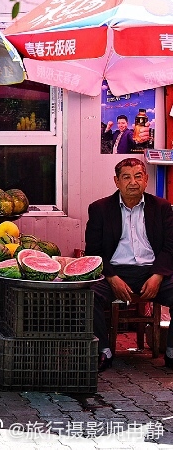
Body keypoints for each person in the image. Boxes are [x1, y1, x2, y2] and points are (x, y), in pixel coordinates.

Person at [86, 156, 173, 371]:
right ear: (116, 181)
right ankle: (103, 351)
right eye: (126, 177)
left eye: (138, 176)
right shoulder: (99, 209)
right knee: (88, 295)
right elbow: (94, 252)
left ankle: (172, 351)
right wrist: (111, 277)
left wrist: (158, 275)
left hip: (153, 270)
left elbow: (170, 247)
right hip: (114, 271)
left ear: (146, 180)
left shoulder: (162, 207)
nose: (133, 182)